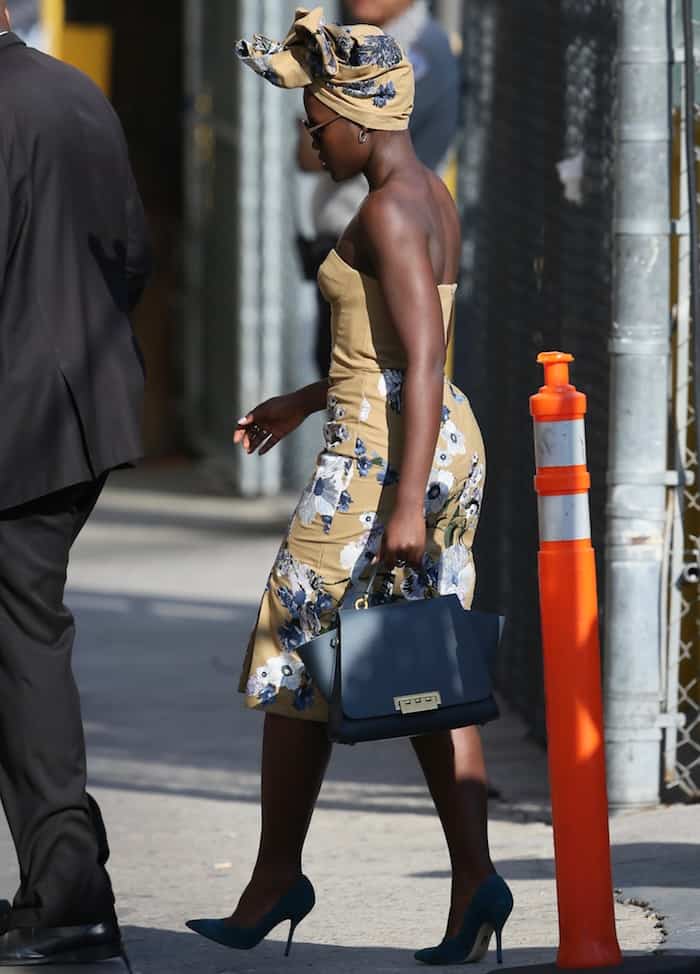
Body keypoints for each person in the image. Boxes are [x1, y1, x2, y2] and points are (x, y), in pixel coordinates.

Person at [186, 7, 513, 967]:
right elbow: (392, 348)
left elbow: (420, 352)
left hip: (382, 461)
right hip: (422, 436)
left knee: (291, 644)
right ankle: (471, 884)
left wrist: (404, 502)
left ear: (361, 118)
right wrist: (303, 395)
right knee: (421, 666)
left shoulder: (386, 208)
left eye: (314, 119)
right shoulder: (426, 193)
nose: (307, 138)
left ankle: (273, 879)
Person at [0, 6, 150, 967]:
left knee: (23, 649)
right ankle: (66, 878)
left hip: (17, 424)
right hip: (75, 413)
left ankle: (68, 893)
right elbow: (130, 255)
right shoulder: (75, 93)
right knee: (24, 638)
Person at [297, 0, 460, 377]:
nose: (316, 136)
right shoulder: (354, 45)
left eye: (322, 126)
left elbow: (424, 366)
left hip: (377, 255)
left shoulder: (420, 51)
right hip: (345, 252)